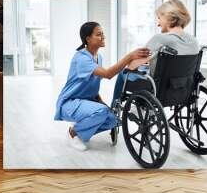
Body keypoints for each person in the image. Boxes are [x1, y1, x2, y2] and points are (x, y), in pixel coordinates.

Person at [54, 21, 150, 151]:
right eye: (99, 34)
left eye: (103, 34)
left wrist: (101, 101)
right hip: (69, 103)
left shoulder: (98, 56)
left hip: (85, 101)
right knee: (102, 112)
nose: (103, 37)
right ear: (88, 39)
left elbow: (91, 84)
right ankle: (74, 133)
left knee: (113, 120)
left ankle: (81, 125)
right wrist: (129, 57)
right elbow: (108, 74)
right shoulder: (81, 58)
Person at [111, 0, 200, 105]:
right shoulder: (194, 41)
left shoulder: (160, 39)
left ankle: (113, 111)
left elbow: (132, 66)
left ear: (169, 17)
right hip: (183, 90)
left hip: (158, 89)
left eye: (159, 18)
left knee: (123, 73)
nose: (158, 23)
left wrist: (132, 59)